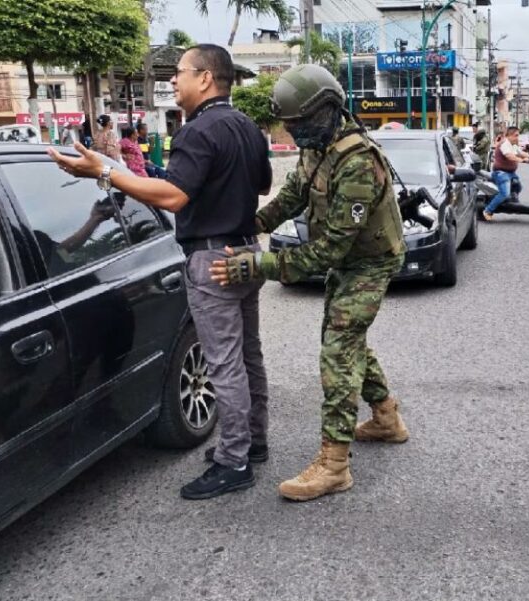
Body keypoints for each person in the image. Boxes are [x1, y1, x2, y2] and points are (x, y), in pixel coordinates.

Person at [47, 44, 273, 501]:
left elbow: (171, 197)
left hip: (212, 260)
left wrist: (105, 175)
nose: (174, 80)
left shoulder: (197, 131)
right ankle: (254, 441)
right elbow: (264, 184)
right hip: (247, 253)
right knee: (248, 355)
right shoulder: (247, 126)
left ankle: (234, 461)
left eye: (181, 73)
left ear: (206, 78)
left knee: (224, 363)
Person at [207, 63, 409, 503]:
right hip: (348, 259)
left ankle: (335, 466)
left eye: (302, 124)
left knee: (338, 351)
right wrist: (246, 225)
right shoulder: (318, 147)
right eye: (291, 125)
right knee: (348, 339)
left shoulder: (358, 163)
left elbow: (329, 252)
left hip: (369, 263)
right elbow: (293, 195)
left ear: (330, 110)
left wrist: (256, 264)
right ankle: (387, 419)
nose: (295, 133)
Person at [483, 126, 529, 220]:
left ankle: (511, 202)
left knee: (518, 187)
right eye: (516, 135)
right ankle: (488, 211)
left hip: (510, 173)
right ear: (509, 135)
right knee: (504, 193)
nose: (517, 138)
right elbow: (509, 156)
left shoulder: (513, 144)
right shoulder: (504, 143)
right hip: (501, 173)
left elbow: (520, 152)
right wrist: (522, 160)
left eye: (518, 135)